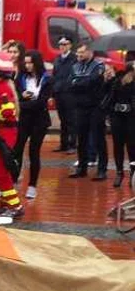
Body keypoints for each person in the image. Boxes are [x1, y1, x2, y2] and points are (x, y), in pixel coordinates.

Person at [0, 51, 24, 218]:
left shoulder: (2, 88)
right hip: (3, 132)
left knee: (2, 171)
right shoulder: (2, 86)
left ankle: (15, 205)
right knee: (0, 169)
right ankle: (5, 203)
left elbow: (7, 112)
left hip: (5, 133)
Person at [14, 50, 52, 199]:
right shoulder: (21, 78)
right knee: (17, 150)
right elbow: (15, 95)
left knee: (34, 152)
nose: (28, 65)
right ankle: (12, 180)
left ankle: (32, 186)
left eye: (30, 62)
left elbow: (41, 102)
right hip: (24, 119)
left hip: (39, 120)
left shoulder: (47, 79)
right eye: (26, 62)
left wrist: (21, 104)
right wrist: (22, 98)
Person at [68, 42, 107, 180]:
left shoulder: (98, 66)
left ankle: (102, 170)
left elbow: (93, 81)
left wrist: (78, 82)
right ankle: (82, 168)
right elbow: (70, 84)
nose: (78, 55)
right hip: (80, 107)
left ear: (90, 52)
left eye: (82, 52)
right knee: (81, 138)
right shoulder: (75, 66)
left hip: (95, 107)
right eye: (77, 52)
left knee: (98, 138)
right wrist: (79, 83)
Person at [102, 62, 135, 188]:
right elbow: (109, 95)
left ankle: (133, 173)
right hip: (118, 117)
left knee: (132, 146)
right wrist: (107, 80)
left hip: (132, 118)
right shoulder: (118, 80)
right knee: (118, 145)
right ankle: (119, 172)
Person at [51, 37, 77, 152]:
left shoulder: (74, 59)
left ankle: (72, 145)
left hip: (70, 93)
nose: (62, 46)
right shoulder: (57, 59)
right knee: (63, 120)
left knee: (71, 119)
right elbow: (54, 76)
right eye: (60, 44)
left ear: (70, 45)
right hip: (58, 93)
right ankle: (63, 144)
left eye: (65, 44)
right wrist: (52, 93)